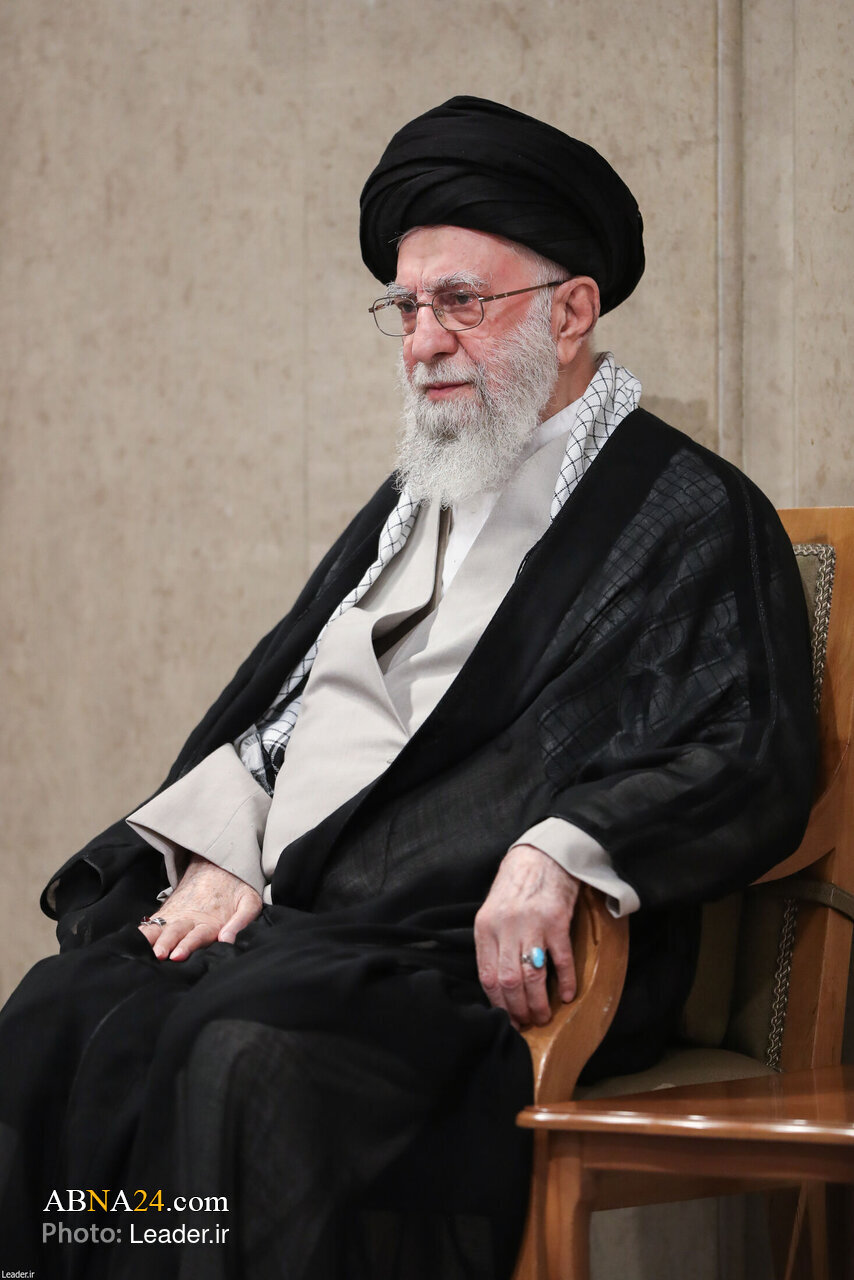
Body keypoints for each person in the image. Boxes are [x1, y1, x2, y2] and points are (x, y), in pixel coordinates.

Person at [0, 96, 816, 1280]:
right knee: (55, 1014)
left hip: (486, 956)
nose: (421, 341)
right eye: (406, 306)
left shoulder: (684, 509)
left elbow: (749, 745)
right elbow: (289, 707)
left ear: (571, 311)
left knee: (242, 1049)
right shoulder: (413, 493)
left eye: (460, 302)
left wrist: (559, 847)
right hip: (308, 922)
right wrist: (233, 844)